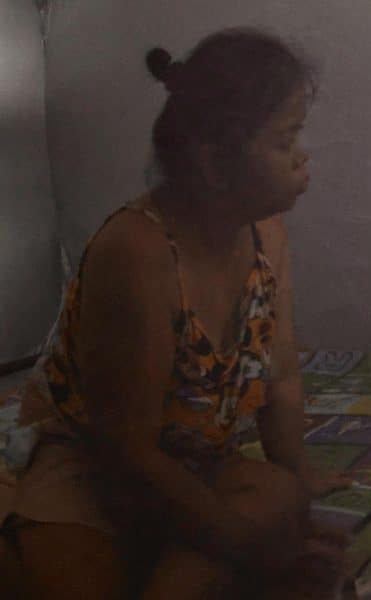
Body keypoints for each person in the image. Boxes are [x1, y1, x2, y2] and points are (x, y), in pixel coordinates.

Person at [0, 28, 350, 598]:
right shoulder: (137, 253)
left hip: (191, 464)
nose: (302, 155)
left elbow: (281, 378)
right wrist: (243, 544)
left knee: (280, 499)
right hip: (93, 467)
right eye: (285, 140)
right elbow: (127, 448)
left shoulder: (266, 236)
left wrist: (297, 495)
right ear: (214, 164)